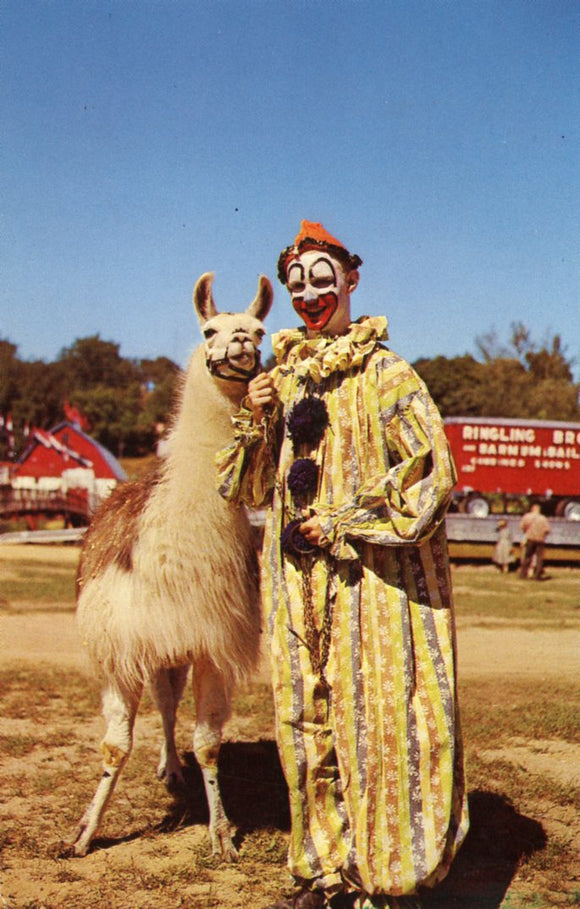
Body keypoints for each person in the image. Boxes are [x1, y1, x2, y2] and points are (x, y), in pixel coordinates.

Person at [216, 221, 469, 909]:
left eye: (321, 280)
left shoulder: (387, 374)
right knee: (305, 720)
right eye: (296, 284)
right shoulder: (283, 378)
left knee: (378, 719)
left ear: (352, 279)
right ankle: (323, 871)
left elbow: (430, 472)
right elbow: (246, 489)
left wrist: (345, 520)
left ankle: (383, 874)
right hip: (295, 583)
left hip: (370, 582)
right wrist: (254, 418)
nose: (308, 295)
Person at [519, 503, 550, 580]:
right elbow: (547, 530)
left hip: (530, 539)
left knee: (527, 557)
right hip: (540, 540)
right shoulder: (543, 518)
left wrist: (527, 532)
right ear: (539, 510)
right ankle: (537, 575)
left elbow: (521, 527)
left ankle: (523, 574)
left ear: (532, 509)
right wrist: (542, 535)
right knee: (539, 558)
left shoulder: (527, 517)